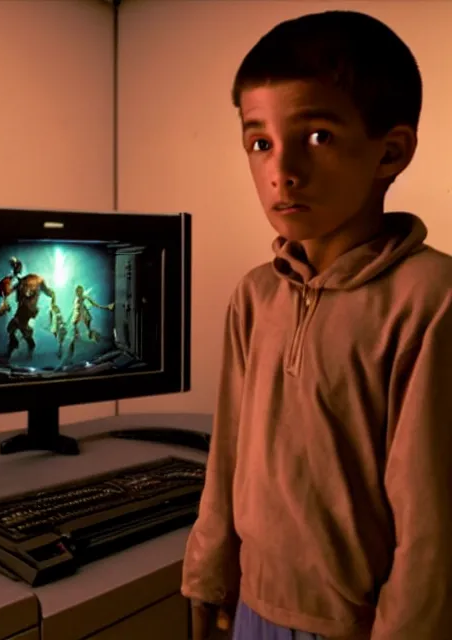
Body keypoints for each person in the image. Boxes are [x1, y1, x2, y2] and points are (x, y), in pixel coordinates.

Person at [181, 10, 452, 640]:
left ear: (391, 151)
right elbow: (227, 461)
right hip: (253, 607)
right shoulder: (254, 296)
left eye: (319, 136)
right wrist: (207, 579)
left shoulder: (429, 299)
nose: (282, 170)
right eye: (260, 142)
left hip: (356, 625)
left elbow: (432, 524)